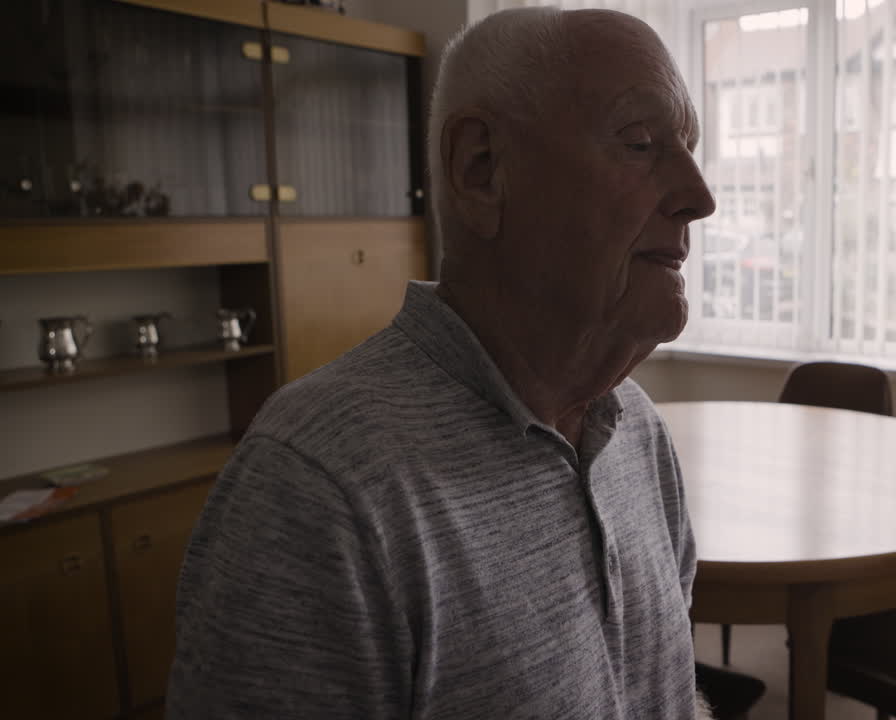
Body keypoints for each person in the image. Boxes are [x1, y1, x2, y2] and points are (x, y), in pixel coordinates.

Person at [165, 6, 716, 720]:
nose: (700, 197)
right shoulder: (317, 492)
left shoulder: (638, 434)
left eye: (690, 148)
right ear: (481, 169)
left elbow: (667, 696)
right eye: (641, 143)